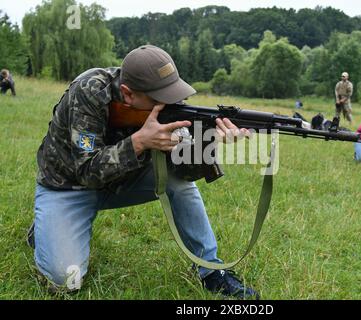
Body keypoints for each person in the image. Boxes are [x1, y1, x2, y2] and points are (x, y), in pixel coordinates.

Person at [28, 45, 259, 299]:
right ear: (127, 94)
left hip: (123, 180)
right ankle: (45, 227)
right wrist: (139, 142)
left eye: (173, 95)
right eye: (161, 99)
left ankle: (211, 270)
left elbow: (186, 172)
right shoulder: (89, 92)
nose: (172, 103)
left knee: (178, 182)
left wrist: (209, 138)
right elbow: (86, 172)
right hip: (68, 188)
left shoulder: (168, 103)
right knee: (65, 280)